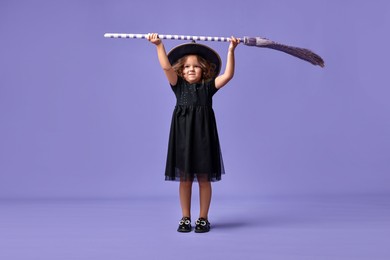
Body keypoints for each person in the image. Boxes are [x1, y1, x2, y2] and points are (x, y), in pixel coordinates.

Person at [147, 33, 239, 233]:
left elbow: (229, 75)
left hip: (203, 138)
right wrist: (158, 45)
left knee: (204, 179)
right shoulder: (177, 87)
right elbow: (165, 66)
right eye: (187, 66)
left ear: (204, 70)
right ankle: (185, 217)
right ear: (181, 70)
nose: (191, 69)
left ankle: (203, 218)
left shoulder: (208, 88)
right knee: (185, 179)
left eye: (196, 66)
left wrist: (231, 50)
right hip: (183, 138)